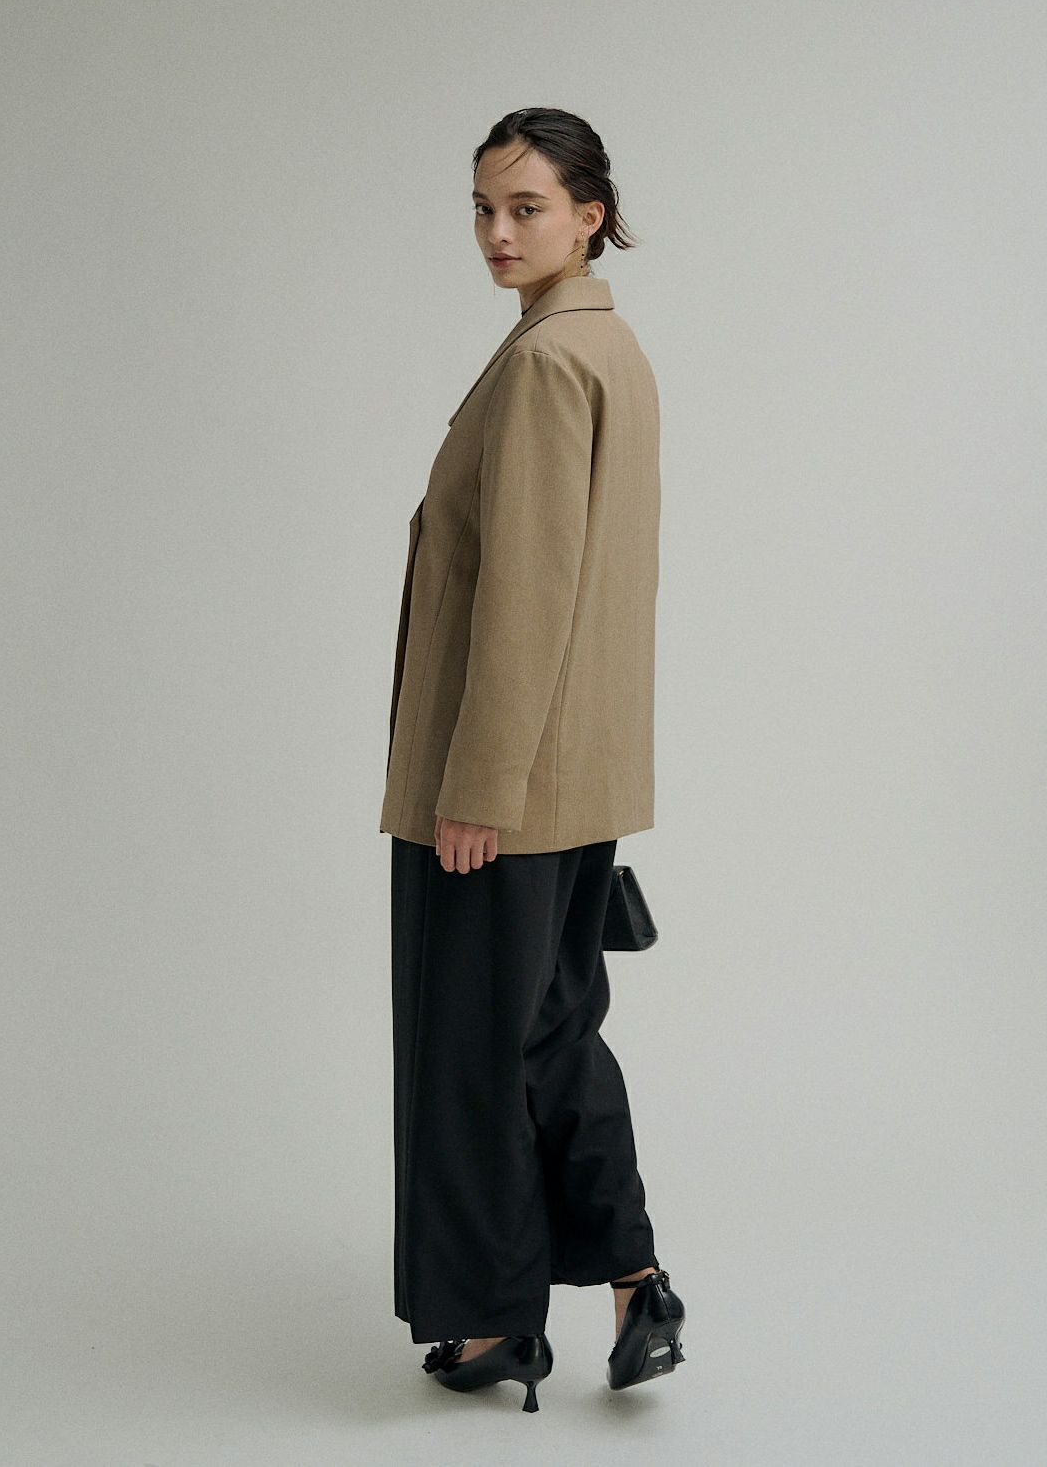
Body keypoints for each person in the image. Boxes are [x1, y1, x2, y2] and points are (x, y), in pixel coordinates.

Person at [380, 107, 685, 1412]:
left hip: (504, 788)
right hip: (577, 776)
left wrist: (477, 789)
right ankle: (635, 1278)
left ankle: (491, 1322)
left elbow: (527, 596)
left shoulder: (552, 362)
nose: (498, 232)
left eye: (527, 207)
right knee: (551, 1032)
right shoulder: (605, 347)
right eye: (483, 208)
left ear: (590, 216)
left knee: (469, 1051)